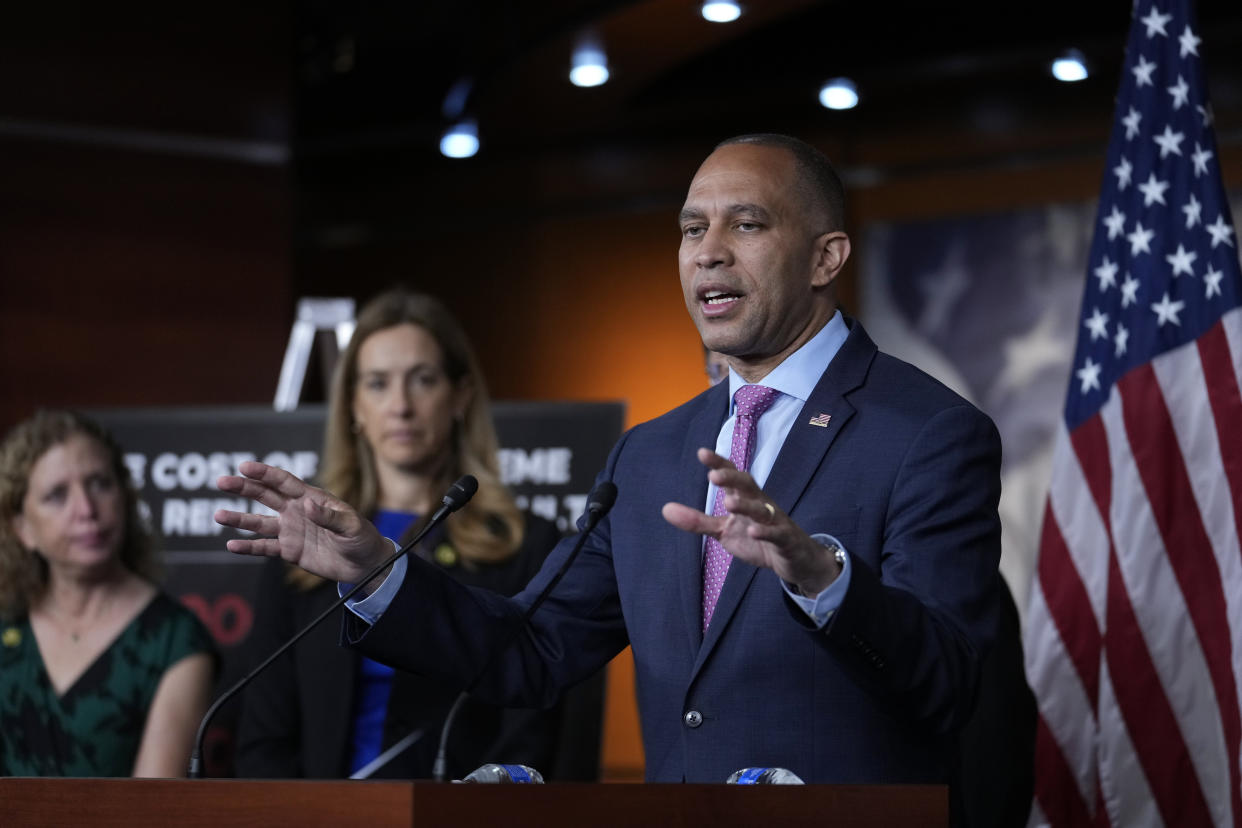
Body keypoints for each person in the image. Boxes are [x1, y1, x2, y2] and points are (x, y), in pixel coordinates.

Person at [215, 134, 1003, 803]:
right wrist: (380, 573)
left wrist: (823, 576)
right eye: (692, 229)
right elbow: (531, 652)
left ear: (827, 255)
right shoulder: (652, 453)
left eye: (748, 224)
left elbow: (951, 683)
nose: (709, 252)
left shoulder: (929, 433)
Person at [234, 289, 602, 781]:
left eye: (423, 380)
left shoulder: (525, 546)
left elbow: (531, 739)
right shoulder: (308, 543)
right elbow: (262, 740)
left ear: (461, 396)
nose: (401, 406)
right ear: (353, 405)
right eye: (378, 383)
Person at [0, 410, 215, 777]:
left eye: (99, 483)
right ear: (23, 529)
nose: (86, 510)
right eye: (56, 495)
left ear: (126, 498)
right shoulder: (7, 623)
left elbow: (150, 808)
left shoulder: (175, 640)